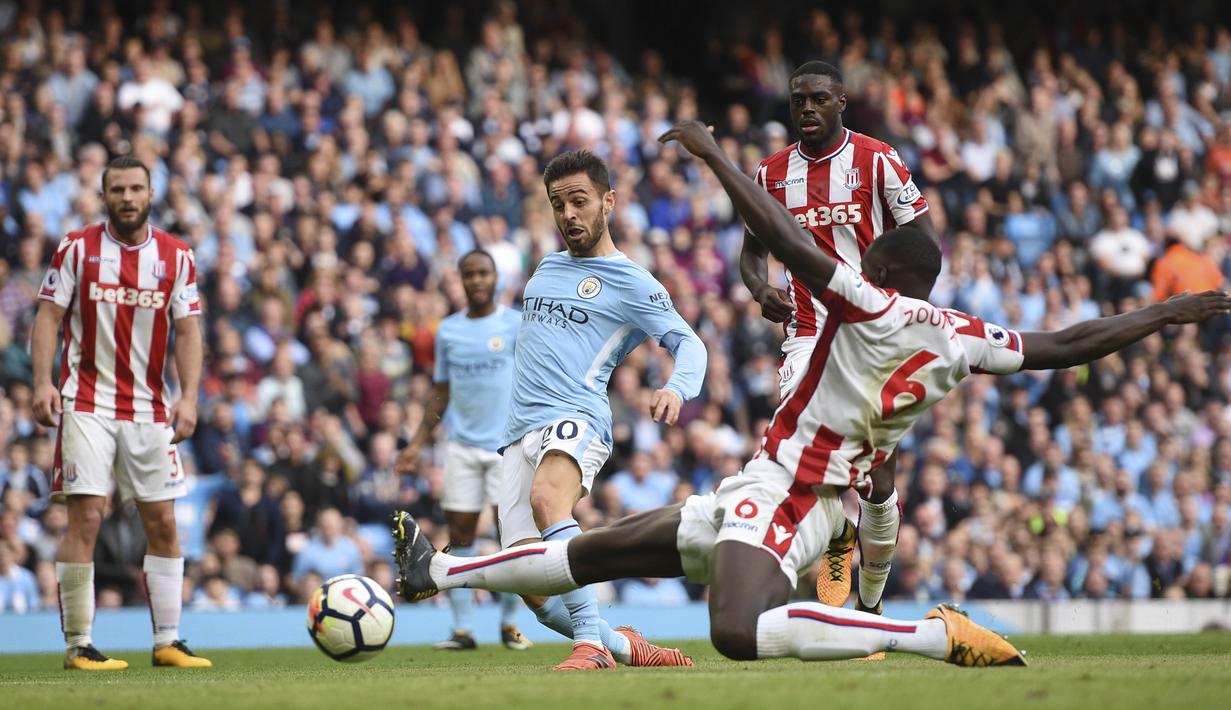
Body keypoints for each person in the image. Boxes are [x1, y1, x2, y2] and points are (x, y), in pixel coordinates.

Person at [392, 120, 1231, 668]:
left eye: (869, 257)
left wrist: (716, 157)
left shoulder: (864, 300)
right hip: (768, 481)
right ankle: (442, 571)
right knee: (598, 549)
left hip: (799, 492)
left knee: (734, 633)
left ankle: (930, 636)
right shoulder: (964, 336)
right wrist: (1164, 312)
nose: (855, 263)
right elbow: (1067, 343)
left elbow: (786, 240)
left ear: (885, 271)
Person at [486, 149, 707, 670]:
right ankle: (624, 644)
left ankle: (590, 645)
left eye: (579, 201)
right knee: (531, 587)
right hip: (518, 432)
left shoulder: (632, 280)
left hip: (577, 417)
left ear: (608, 201)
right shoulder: (545, 268)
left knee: (549, 502)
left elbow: (688, 341)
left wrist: (677, 387)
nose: (568, 215)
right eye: (558, 204)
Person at [738, 61, 934, 625]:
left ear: (841, 101)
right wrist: (759, 288)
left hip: (873, 336)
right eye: (798, 99)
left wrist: (904, 312)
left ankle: (871, 600)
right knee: (808, 460)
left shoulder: (878, 160)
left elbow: (924, 244)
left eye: (819, 98)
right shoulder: (771, 174)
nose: (806, 108)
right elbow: (752, 250)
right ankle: (835, 537)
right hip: (806, 334)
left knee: (880, 480)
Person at [31, 156, 211, 670]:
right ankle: (79, 646)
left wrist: (190, 395)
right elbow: (48, 316)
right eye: (118, 189)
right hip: (85, 401)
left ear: (151, 193)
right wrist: (42, 381)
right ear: (103, 194)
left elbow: (190, 331)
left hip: (151, 408)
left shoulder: (177, 256)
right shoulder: (76, 247)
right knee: (86, 515)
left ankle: (168, 641)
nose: (127, 197)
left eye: (136, 188)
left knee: (163, 521)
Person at [396, 249, 532, 651]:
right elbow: (441, 392)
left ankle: (510, 625)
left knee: (511, 536)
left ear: (496, 278)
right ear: (460, 279)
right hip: (461, 448)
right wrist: (417, 443)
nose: (476, 280)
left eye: (483, 273)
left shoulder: (515, 324)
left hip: (506, 448)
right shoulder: (449, 330)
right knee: (460, 537)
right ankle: (463, 630)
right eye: (469, 274)